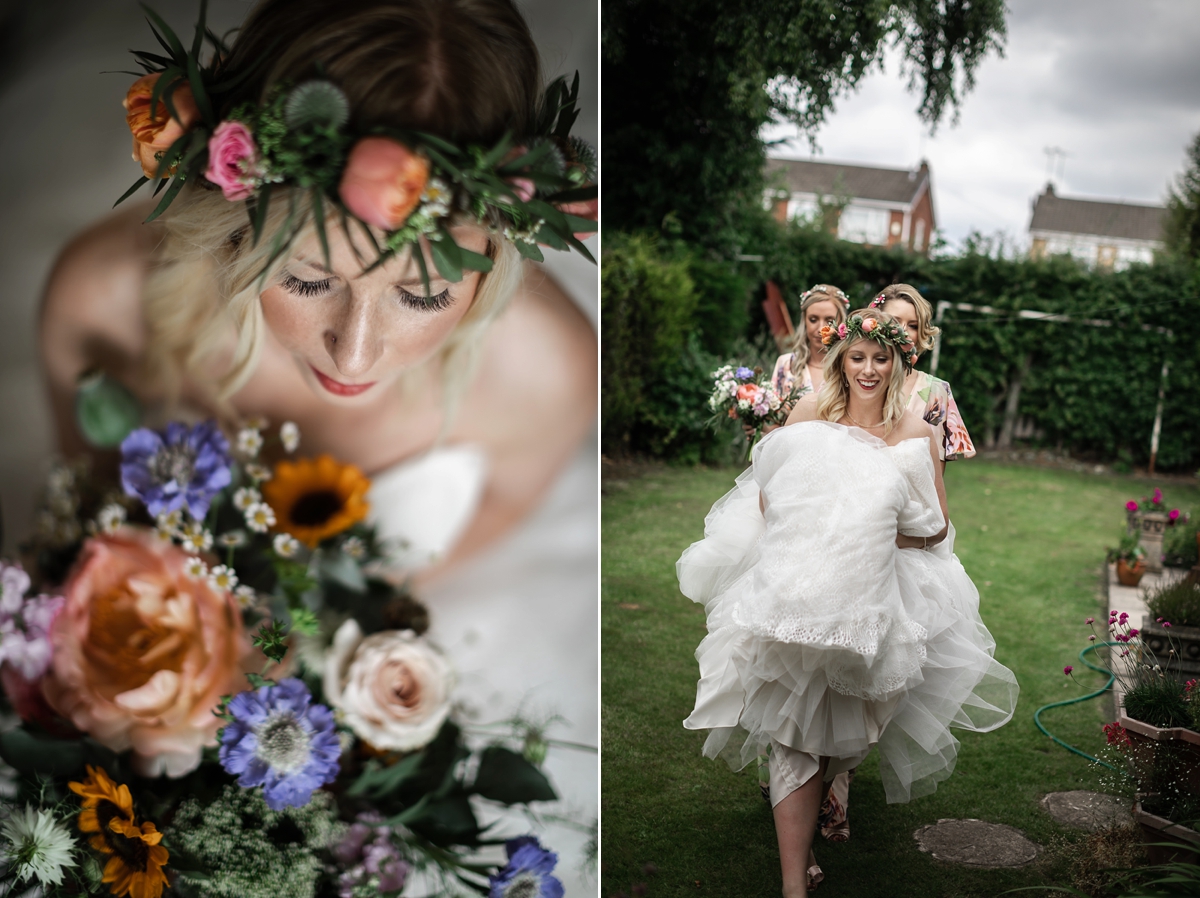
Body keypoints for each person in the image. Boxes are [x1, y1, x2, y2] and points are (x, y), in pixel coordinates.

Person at [37, 0, 597, 884]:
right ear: (233, 216)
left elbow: (497, 505)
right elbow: (92, 509)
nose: (357, 351)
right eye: (305, 277)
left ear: (495, 250)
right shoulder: (101, 307)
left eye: (421, 297)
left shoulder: (552, 374)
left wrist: (350, 608)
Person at [679, 309, 1016, 897]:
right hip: (798, 592)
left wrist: (875, 532)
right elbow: (769, 503)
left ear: (899, 362)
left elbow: (935, 529)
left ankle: (809, 822)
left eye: (880, 358)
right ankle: (793, 884)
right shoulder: (808, 413)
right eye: (856, 357)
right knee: (794, 735)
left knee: (847, 739)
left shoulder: (917, 430)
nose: (868, 369)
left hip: (880, 598)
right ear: (840, 359)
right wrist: (823, 536)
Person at [871, 283, 975, 464]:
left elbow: (935, 473)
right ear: (872, 323)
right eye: (894, 321)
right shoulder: (852, 380)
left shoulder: (936, 391)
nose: (903, 331)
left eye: (913, 325)